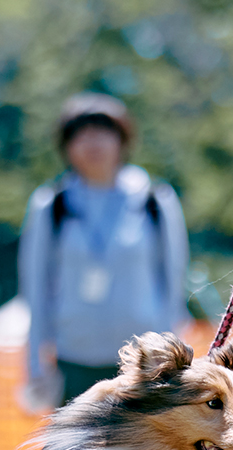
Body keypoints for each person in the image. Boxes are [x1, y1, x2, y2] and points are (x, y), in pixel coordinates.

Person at [18, 94, 190, 407]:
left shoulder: (155, 200)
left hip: (144, 365)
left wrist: (173, 365)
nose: (92, 143)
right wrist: (34, 364)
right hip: (73, 362)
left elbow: (174, 285)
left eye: (103, 132)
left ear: (123, 140)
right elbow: (34, 288)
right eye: (80, 134)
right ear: (66, 146)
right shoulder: (50, 204)